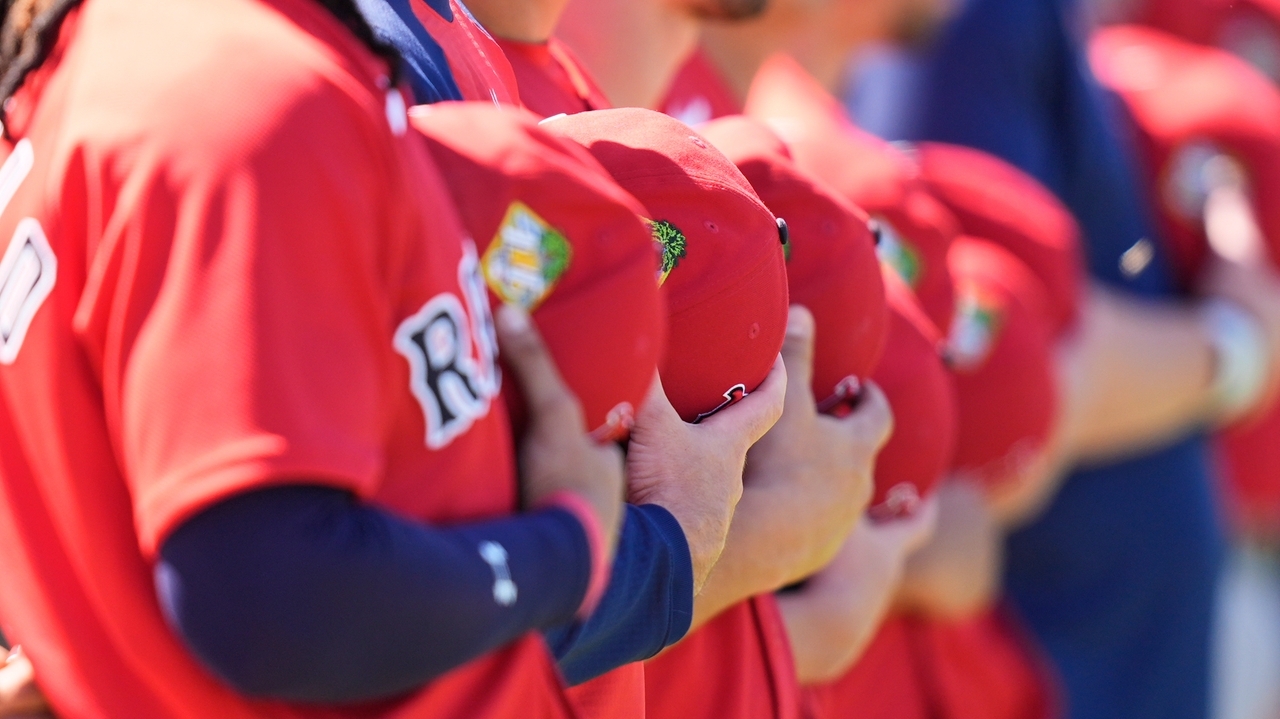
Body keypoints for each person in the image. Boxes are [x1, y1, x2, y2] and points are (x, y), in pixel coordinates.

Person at [882, 0, 1280, 716]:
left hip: (1108, 639)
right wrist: (1235, 348)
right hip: (1052, 643)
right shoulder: (987, 17)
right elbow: (1008, 357)